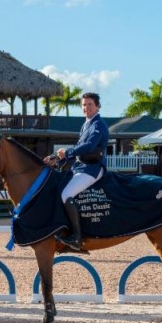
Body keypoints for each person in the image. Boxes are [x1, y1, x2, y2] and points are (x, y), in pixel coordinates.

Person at [43, 92, 109, 250]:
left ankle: (77, 237)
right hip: (81, 167)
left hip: (93, 168)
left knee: (67, 194)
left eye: (90, 104)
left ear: (98, 106)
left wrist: (67, 152)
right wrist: (57, 158)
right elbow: (79, 152)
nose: (86, 108)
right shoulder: (86, 124)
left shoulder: (98, 125)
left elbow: (89, 147)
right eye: (84, 105)